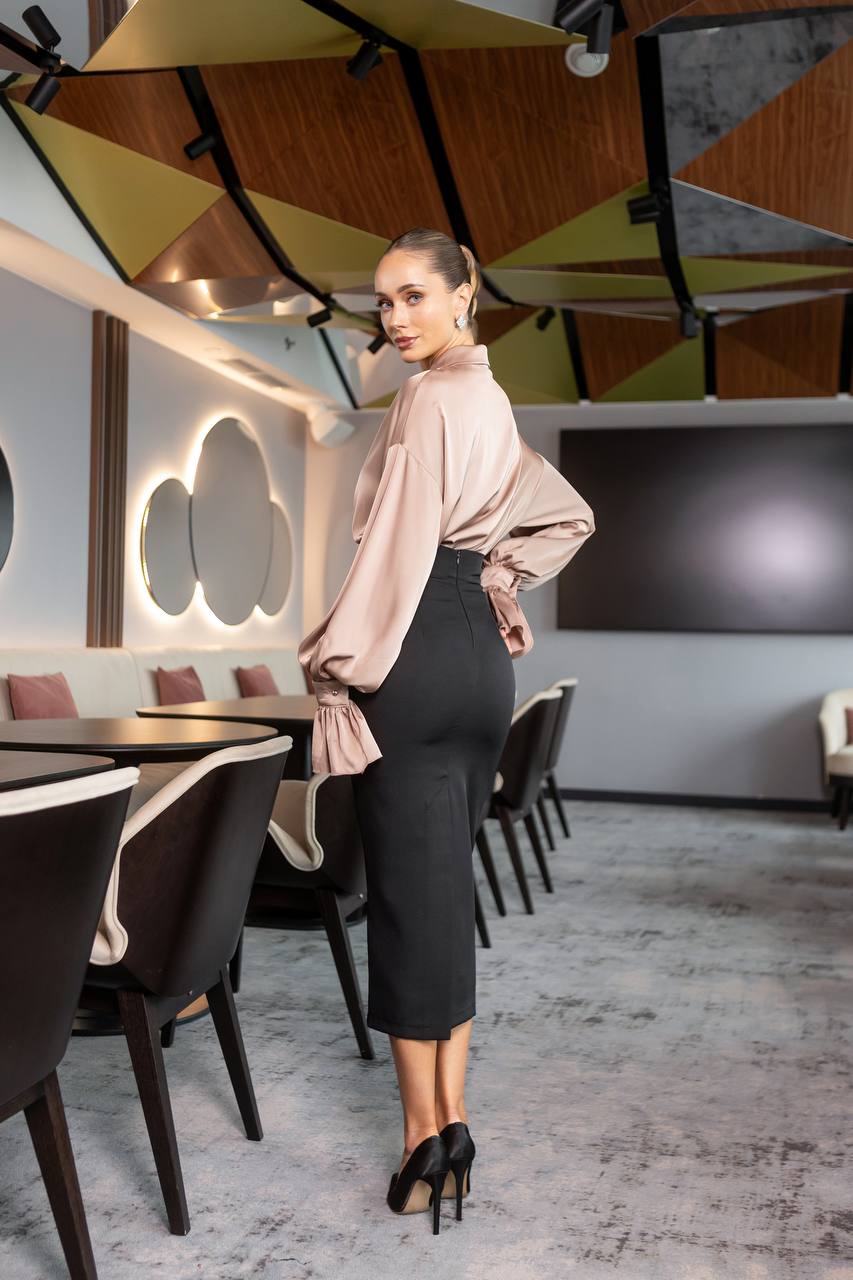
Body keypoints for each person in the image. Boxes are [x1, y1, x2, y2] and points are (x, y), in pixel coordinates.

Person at [297, 227, 595, 1234]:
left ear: (467, 292)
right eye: (383, 303)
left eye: (416, 294)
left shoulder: (426, 400)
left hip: (414, 655)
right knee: (439, 891)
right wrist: (498, 583)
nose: (396, 317)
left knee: (408, 904)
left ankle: (426, 1136)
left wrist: (333, 662)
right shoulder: (492, 401)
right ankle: (449, 1124)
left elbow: (390, 552)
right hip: (475, 663)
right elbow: (565, 516)